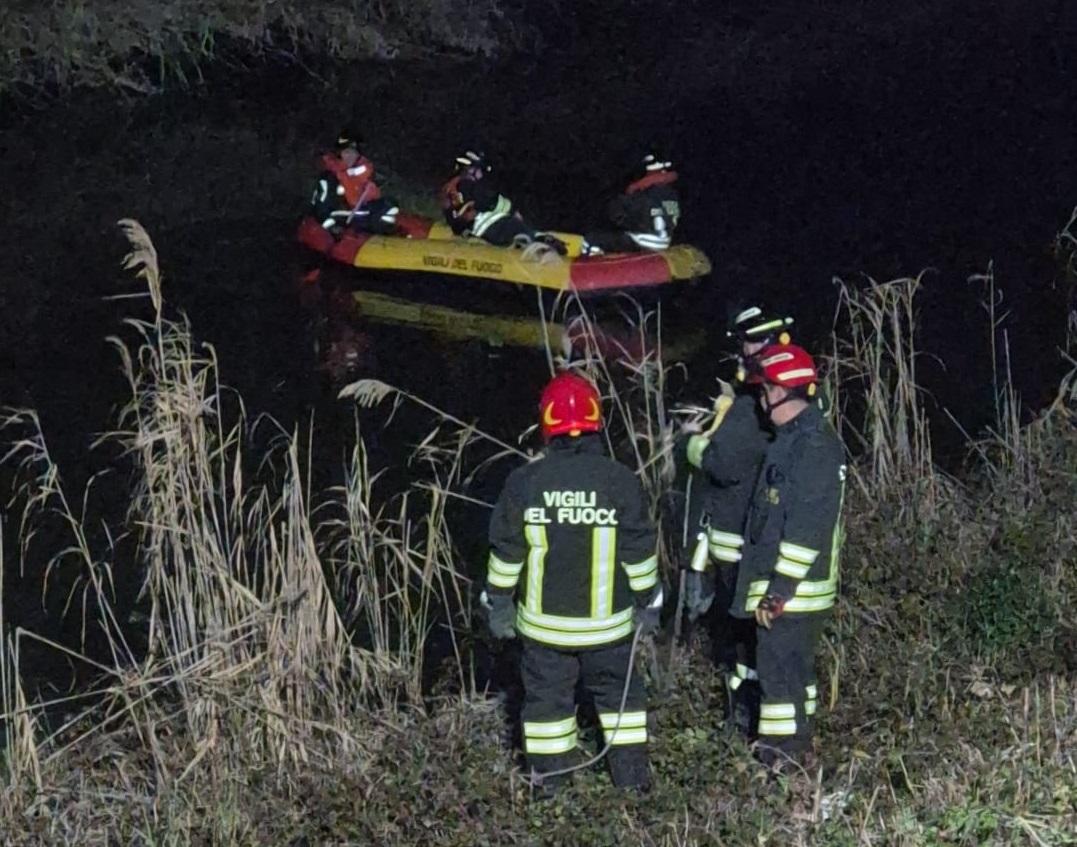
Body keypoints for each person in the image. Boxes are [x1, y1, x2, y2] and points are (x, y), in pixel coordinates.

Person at [481, 371, 663, 792]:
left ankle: (553, 793)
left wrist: (500, 604)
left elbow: (506, 553)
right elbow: (638, 550)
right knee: (622, 705)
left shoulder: (525, 482)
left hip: (544, 633)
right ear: (597, 421)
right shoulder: (619, 480)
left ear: (547, 426)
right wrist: (648, 601)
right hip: (610, 630)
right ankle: (633, 786)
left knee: (547, 710)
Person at [679, 304, 795, 736]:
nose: (742, 350)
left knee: (741, 642)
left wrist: (690, 447)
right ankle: (753, 718)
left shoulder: (750, 410)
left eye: (747, 342)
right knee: (755, 642)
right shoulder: (790, 401)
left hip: (738, 549)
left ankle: (742, 720)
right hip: (761, 546)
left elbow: (723, 463)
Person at [730, 343, 845, 767]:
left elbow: (805, 528)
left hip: (793, 594)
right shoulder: (794, 442)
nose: (761, 402)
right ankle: (799, 747)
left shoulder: (812, 449)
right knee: (794, 675)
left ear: (784, 392)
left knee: (778, 675)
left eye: (765, 393)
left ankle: (781, 760)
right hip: (792, 591)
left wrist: (779, 590)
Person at [582, 152, 681, 256]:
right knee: (617, 237)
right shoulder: (671, 194)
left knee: (592, 239)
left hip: (645, 240)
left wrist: (613, 205)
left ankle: (593, 268)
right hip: (666, 241)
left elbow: (620, 216)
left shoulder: (643, 194)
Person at [310, 128, 399, 235]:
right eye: (345, 152)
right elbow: (322, 206)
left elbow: (371, 195)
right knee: (372, 217)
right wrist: (330, 226)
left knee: (389, 204)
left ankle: (385, 234)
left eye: (353, 152)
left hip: (361, 212)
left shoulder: (365, 170)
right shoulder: (331, 176)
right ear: (339, 154)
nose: (349, 156)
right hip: (340, 216)